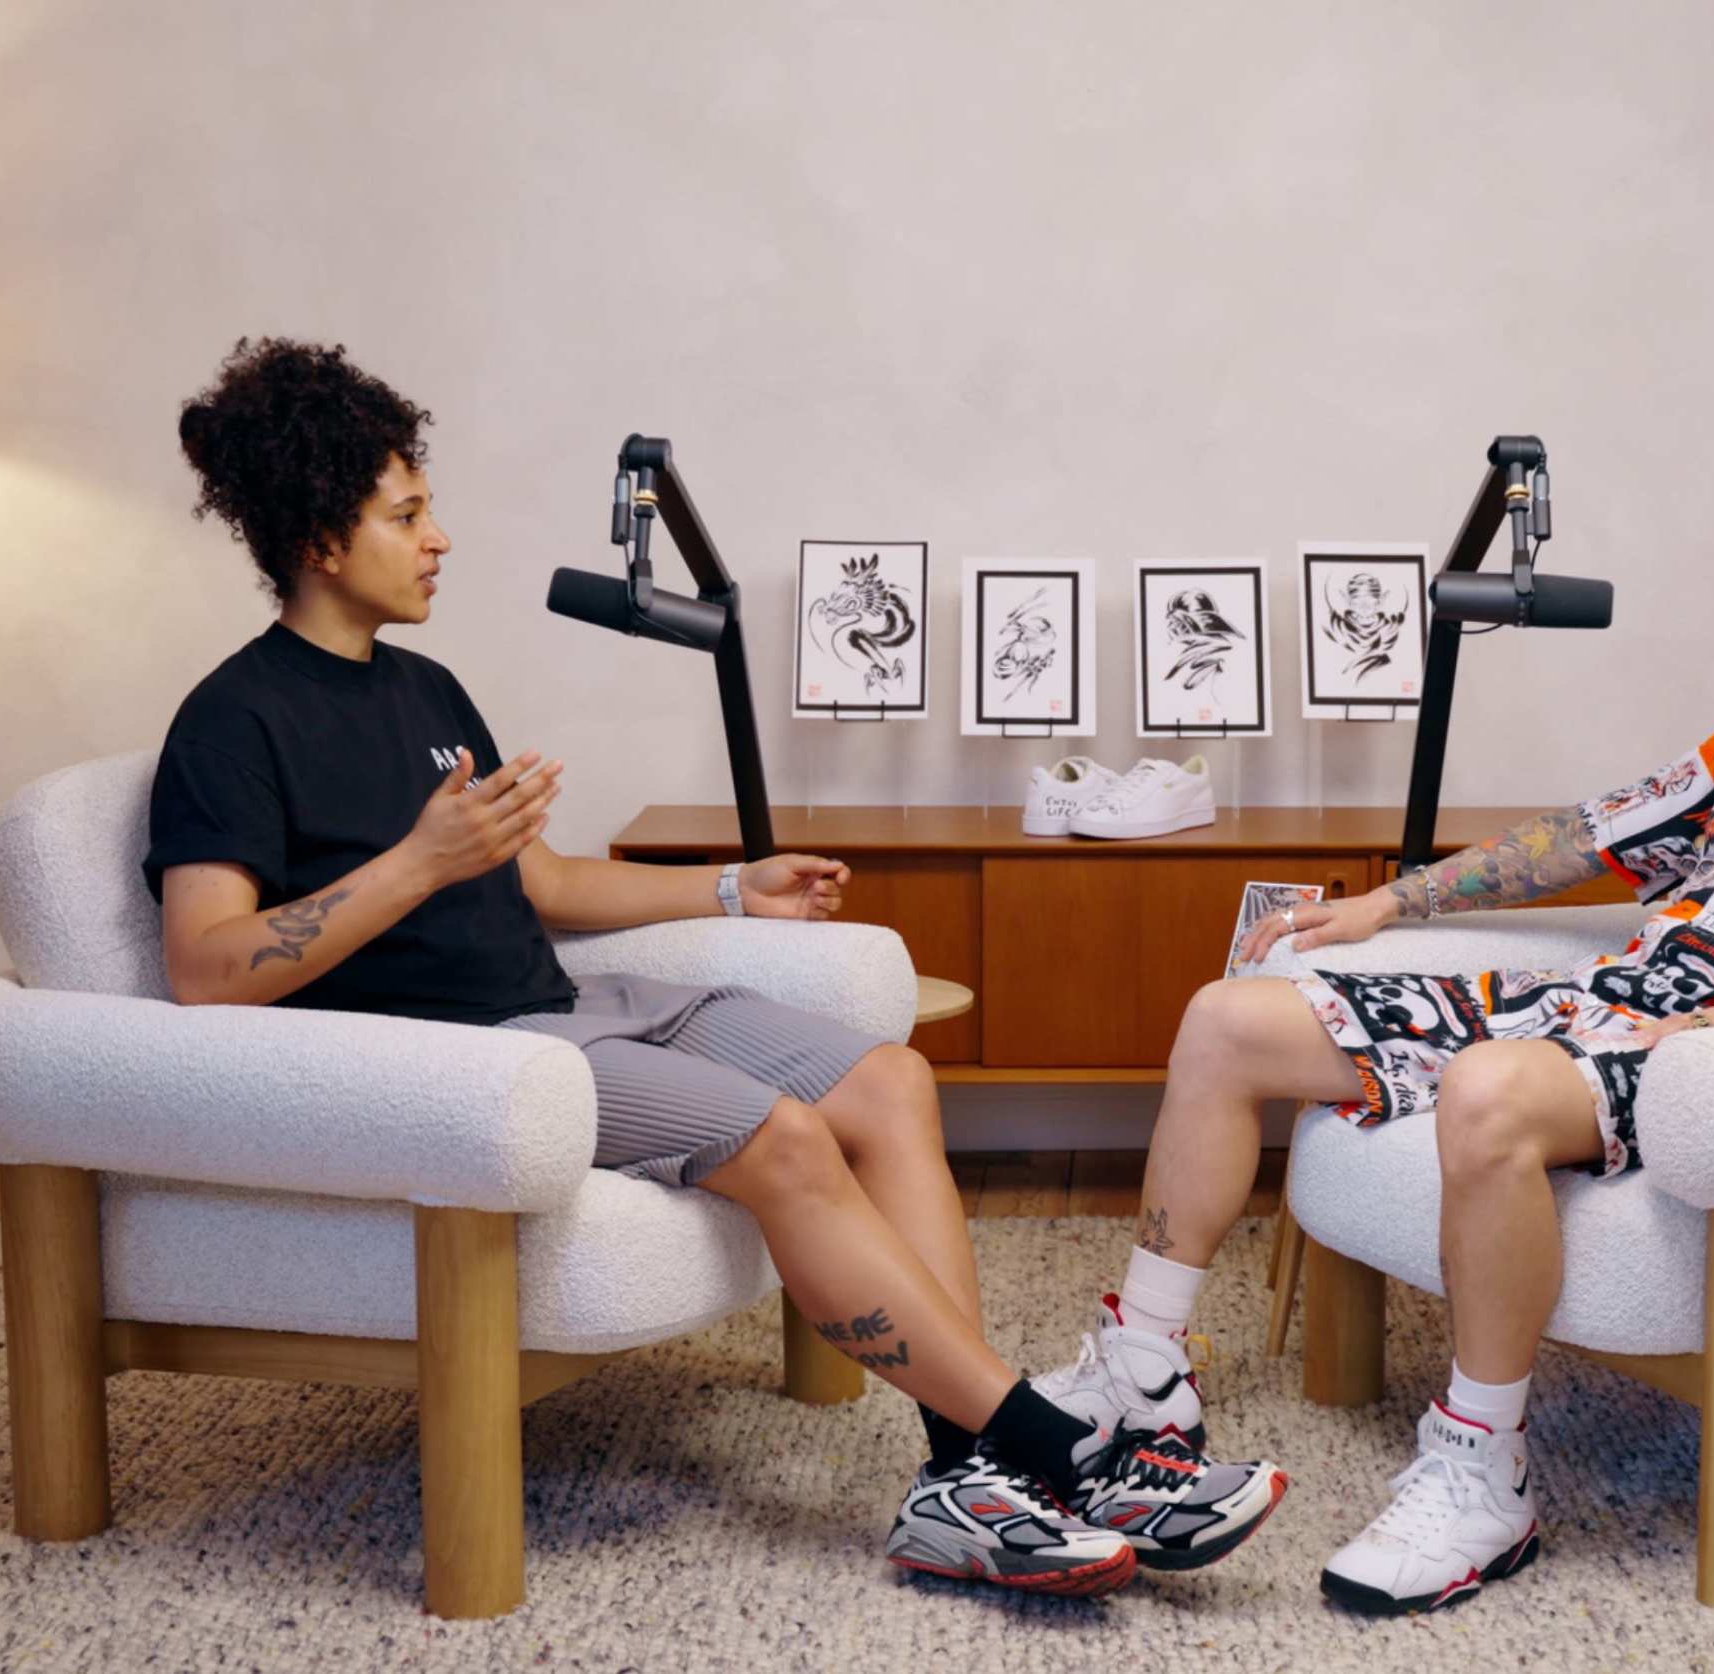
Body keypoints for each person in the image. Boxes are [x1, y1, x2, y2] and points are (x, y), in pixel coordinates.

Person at [142, 338, 1285, 1597]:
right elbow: (207, 966)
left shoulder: (425, 688)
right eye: (406, 515)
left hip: (575, 1003)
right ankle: (1058, 1453)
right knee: (786, 1140)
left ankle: (966, 1481)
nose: (439, 539)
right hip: (475, 1059)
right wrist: (417, 863)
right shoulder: (232, 721)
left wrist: (735, 888)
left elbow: (544, 884)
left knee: (894, 1081)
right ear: (320, 539)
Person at [1041, 429, 1714, 1614]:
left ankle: (1480, 1474)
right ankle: (1144, 1371)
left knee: (1488, 1089)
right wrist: (1393, 902)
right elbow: (1592, 834)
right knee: (1225, 1021)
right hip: (1601, 1003)